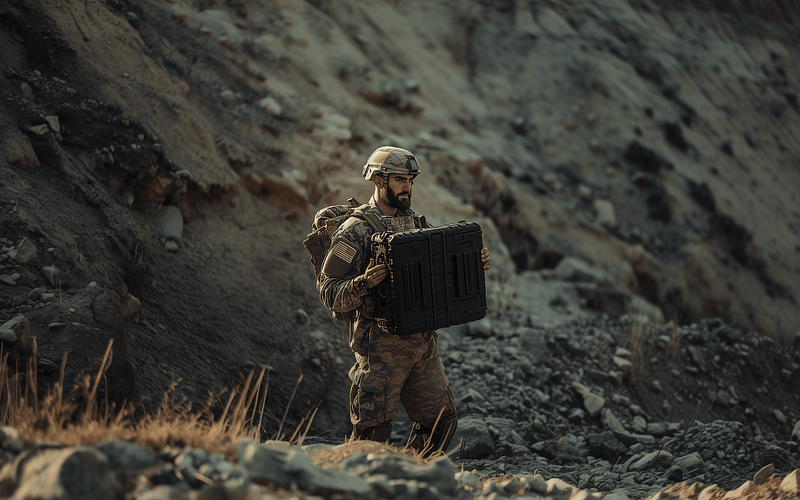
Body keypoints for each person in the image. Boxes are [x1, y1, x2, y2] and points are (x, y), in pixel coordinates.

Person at [318, 146, 491, 457]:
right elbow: (328, 290)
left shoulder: (415, 223)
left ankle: (412, 473)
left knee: (441, 421)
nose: (407, 187)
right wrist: (364, 282)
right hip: (380, 349)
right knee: (373, 435)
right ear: (378, 181)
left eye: (410, 180)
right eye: (400, 179)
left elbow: (433, 276)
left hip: (422, 345)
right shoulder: (355, 231)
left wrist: (470, 264)